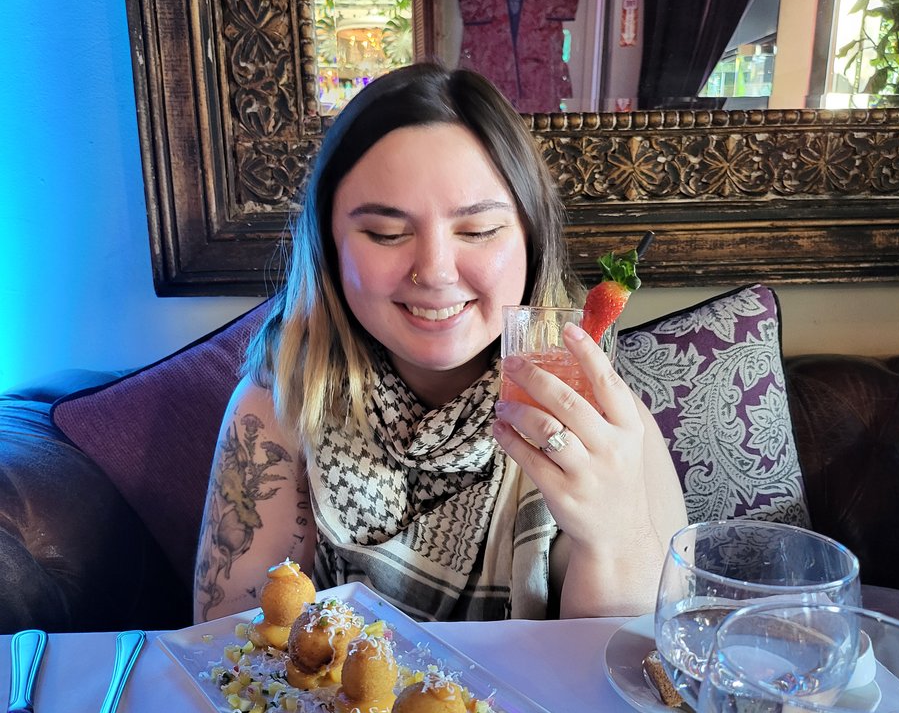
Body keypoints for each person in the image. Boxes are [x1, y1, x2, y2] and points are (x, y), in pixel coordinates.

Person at [193, 64, 686, 625]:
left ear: (531, 240)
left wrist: (613, 535)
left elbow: (635, 675)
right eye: (385, 233)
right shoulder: (283, 403)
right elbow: (233, 666)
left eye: (477, 231)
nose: (434, 271)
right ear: (330, 246)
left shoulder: (603, 423)